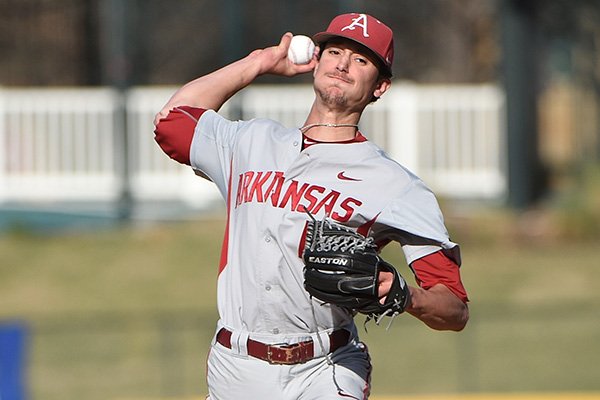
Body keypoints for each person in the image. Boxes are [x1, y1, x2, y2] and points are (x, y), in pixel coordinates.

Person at [154, 12, 469, 400]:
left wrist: (404, 293)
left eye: (361, 60)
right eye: (335, 51)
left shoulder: (397, 186)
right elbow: (171, 121)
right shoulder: (250, 142)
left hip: (326, 367)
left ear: (380, 86)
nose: (343, 64)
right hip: (237, 366)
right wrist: (258, 63)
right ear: (316, 61)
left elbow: (454, 307)